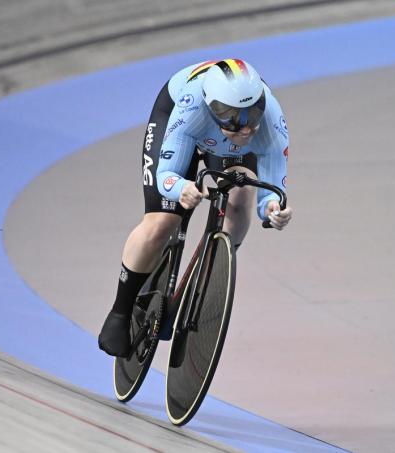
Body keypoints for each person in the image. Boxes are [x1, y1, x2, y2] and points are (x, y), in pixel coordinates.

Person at [98, 58, 293, 357]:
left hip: (224, 145)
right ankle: (119, 312)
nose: (245, 128)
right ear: (213, 108)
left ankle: (215, 266)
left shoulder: (269, 122)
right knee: (162, 221)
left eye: (252, 114)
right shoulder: (191, 108)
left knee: (241, 200)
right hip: (181, 120)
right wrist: (182, 188)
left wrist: (272, 210)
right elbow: (166, 176)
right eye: (232, 118)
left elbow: (273, 189)